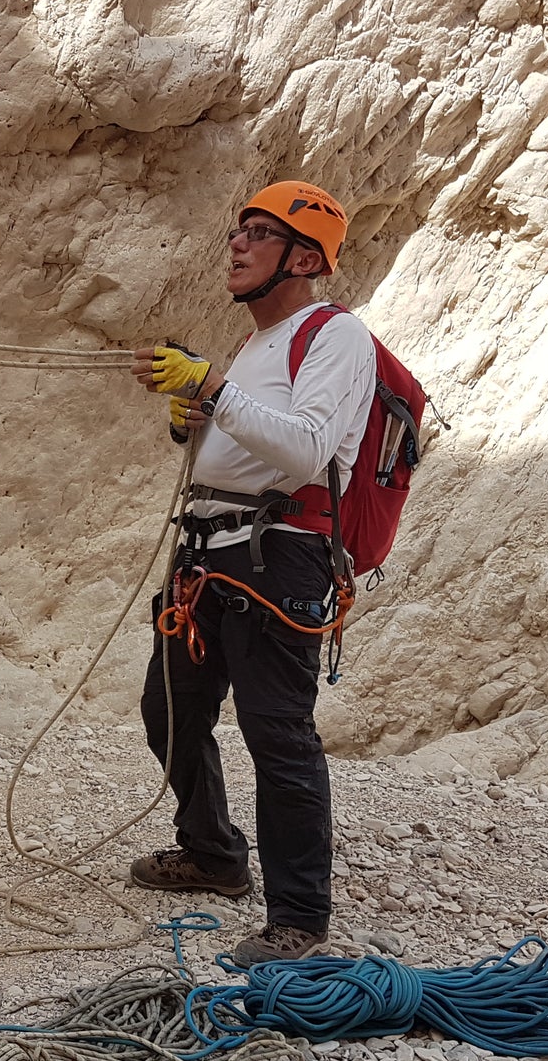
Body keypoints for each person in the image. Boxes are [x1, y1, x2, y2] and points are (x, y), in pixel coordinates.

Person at [128, 181, 373, 968]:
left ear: (305, 259)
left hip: (278, 554)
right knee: (168, 707)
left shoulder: (335, 337)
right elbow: (239, 447)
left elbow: (303, 452)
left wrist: (210, 389)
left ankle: (300, 915)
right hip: (211, 549)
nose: (236, 245)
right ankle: (214, 854)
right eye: (238, 231)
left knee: (277, 734)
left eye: (258, 234)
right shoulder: (258, 344)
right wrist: (192, 425)